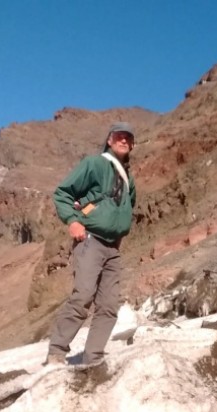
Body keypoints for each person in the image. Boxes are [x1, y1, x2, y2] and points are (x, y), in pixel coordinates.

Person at [46, 122, 137, 366]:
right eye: (120, 136)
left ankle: (92, 359)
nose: (124, 141)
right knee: (82, 296)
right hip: (91, 240)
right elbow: (63, 193)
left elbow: (129, 205)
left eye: (129, 138)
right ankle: (56, 352)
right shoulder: (94, 164)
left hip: (113, 248)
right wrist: (73, 221)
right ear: (109, 139)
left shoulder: (128, 177)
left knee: (108, 306)